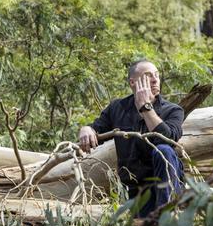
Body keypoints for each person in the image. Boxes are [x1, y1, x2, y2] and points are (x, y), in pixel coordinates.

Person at [78, 59, 184, 217]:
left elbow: (166, 139)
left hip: (167, 186)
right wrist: (86, 129)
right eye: (148, 76)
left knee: (164, 150)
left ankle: (167, 217)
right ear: (133, 82)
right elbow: (97, 130)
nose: (155, 80)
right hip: (136, 191)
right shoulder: (117, 108)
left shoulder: (173, 110)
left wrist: (145, 107)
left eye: (157, 75)